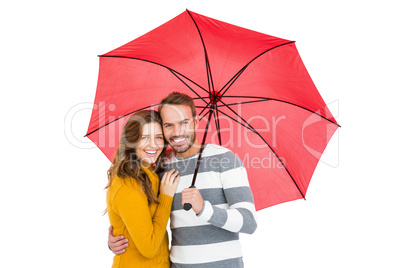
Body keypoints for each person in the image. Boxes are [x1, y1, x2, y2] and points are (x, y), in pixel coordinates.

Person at [109, 93, 257, 267]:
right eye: (169, 125)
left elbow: (249, 223)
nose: (177, 132)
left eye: (184, 123)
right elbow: (142, 215)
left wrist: (204, 209)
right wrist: (117, 238)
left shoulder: (225, 159)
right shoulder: (159, 167)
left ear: (195, 123)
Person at [106, 110, 180, 267]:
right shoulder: (128, 183)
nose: (153, 144)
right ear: (132, 141)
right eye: (144, 137)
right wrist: (166, 197)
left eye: (158, 137)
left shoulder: (150, 174)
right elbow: (149, 248)